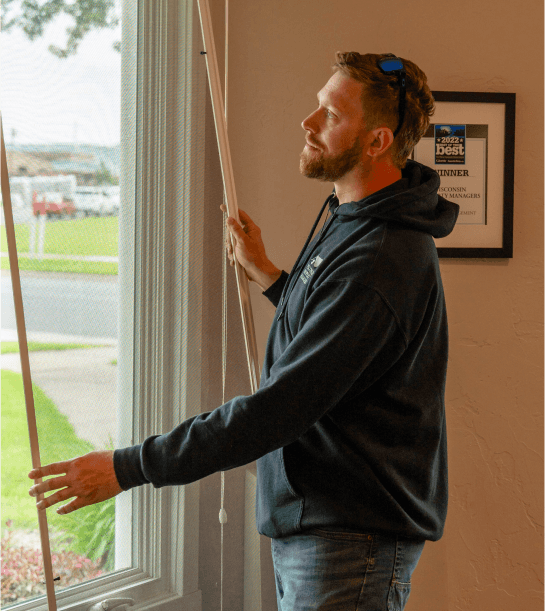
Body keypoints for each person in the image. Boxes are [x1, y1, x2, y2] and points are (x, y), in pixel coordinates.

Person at [29, 52, 459, 610]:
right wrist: (273, 277)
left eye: (330, 114)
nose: (308, 122)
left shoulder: (381, 255)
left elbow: (280, 408)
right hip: (329, 531)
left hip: (349, 541)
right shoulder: (356, 221)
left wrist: (127, 467)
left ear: (377, 141)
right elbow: (340, 339)